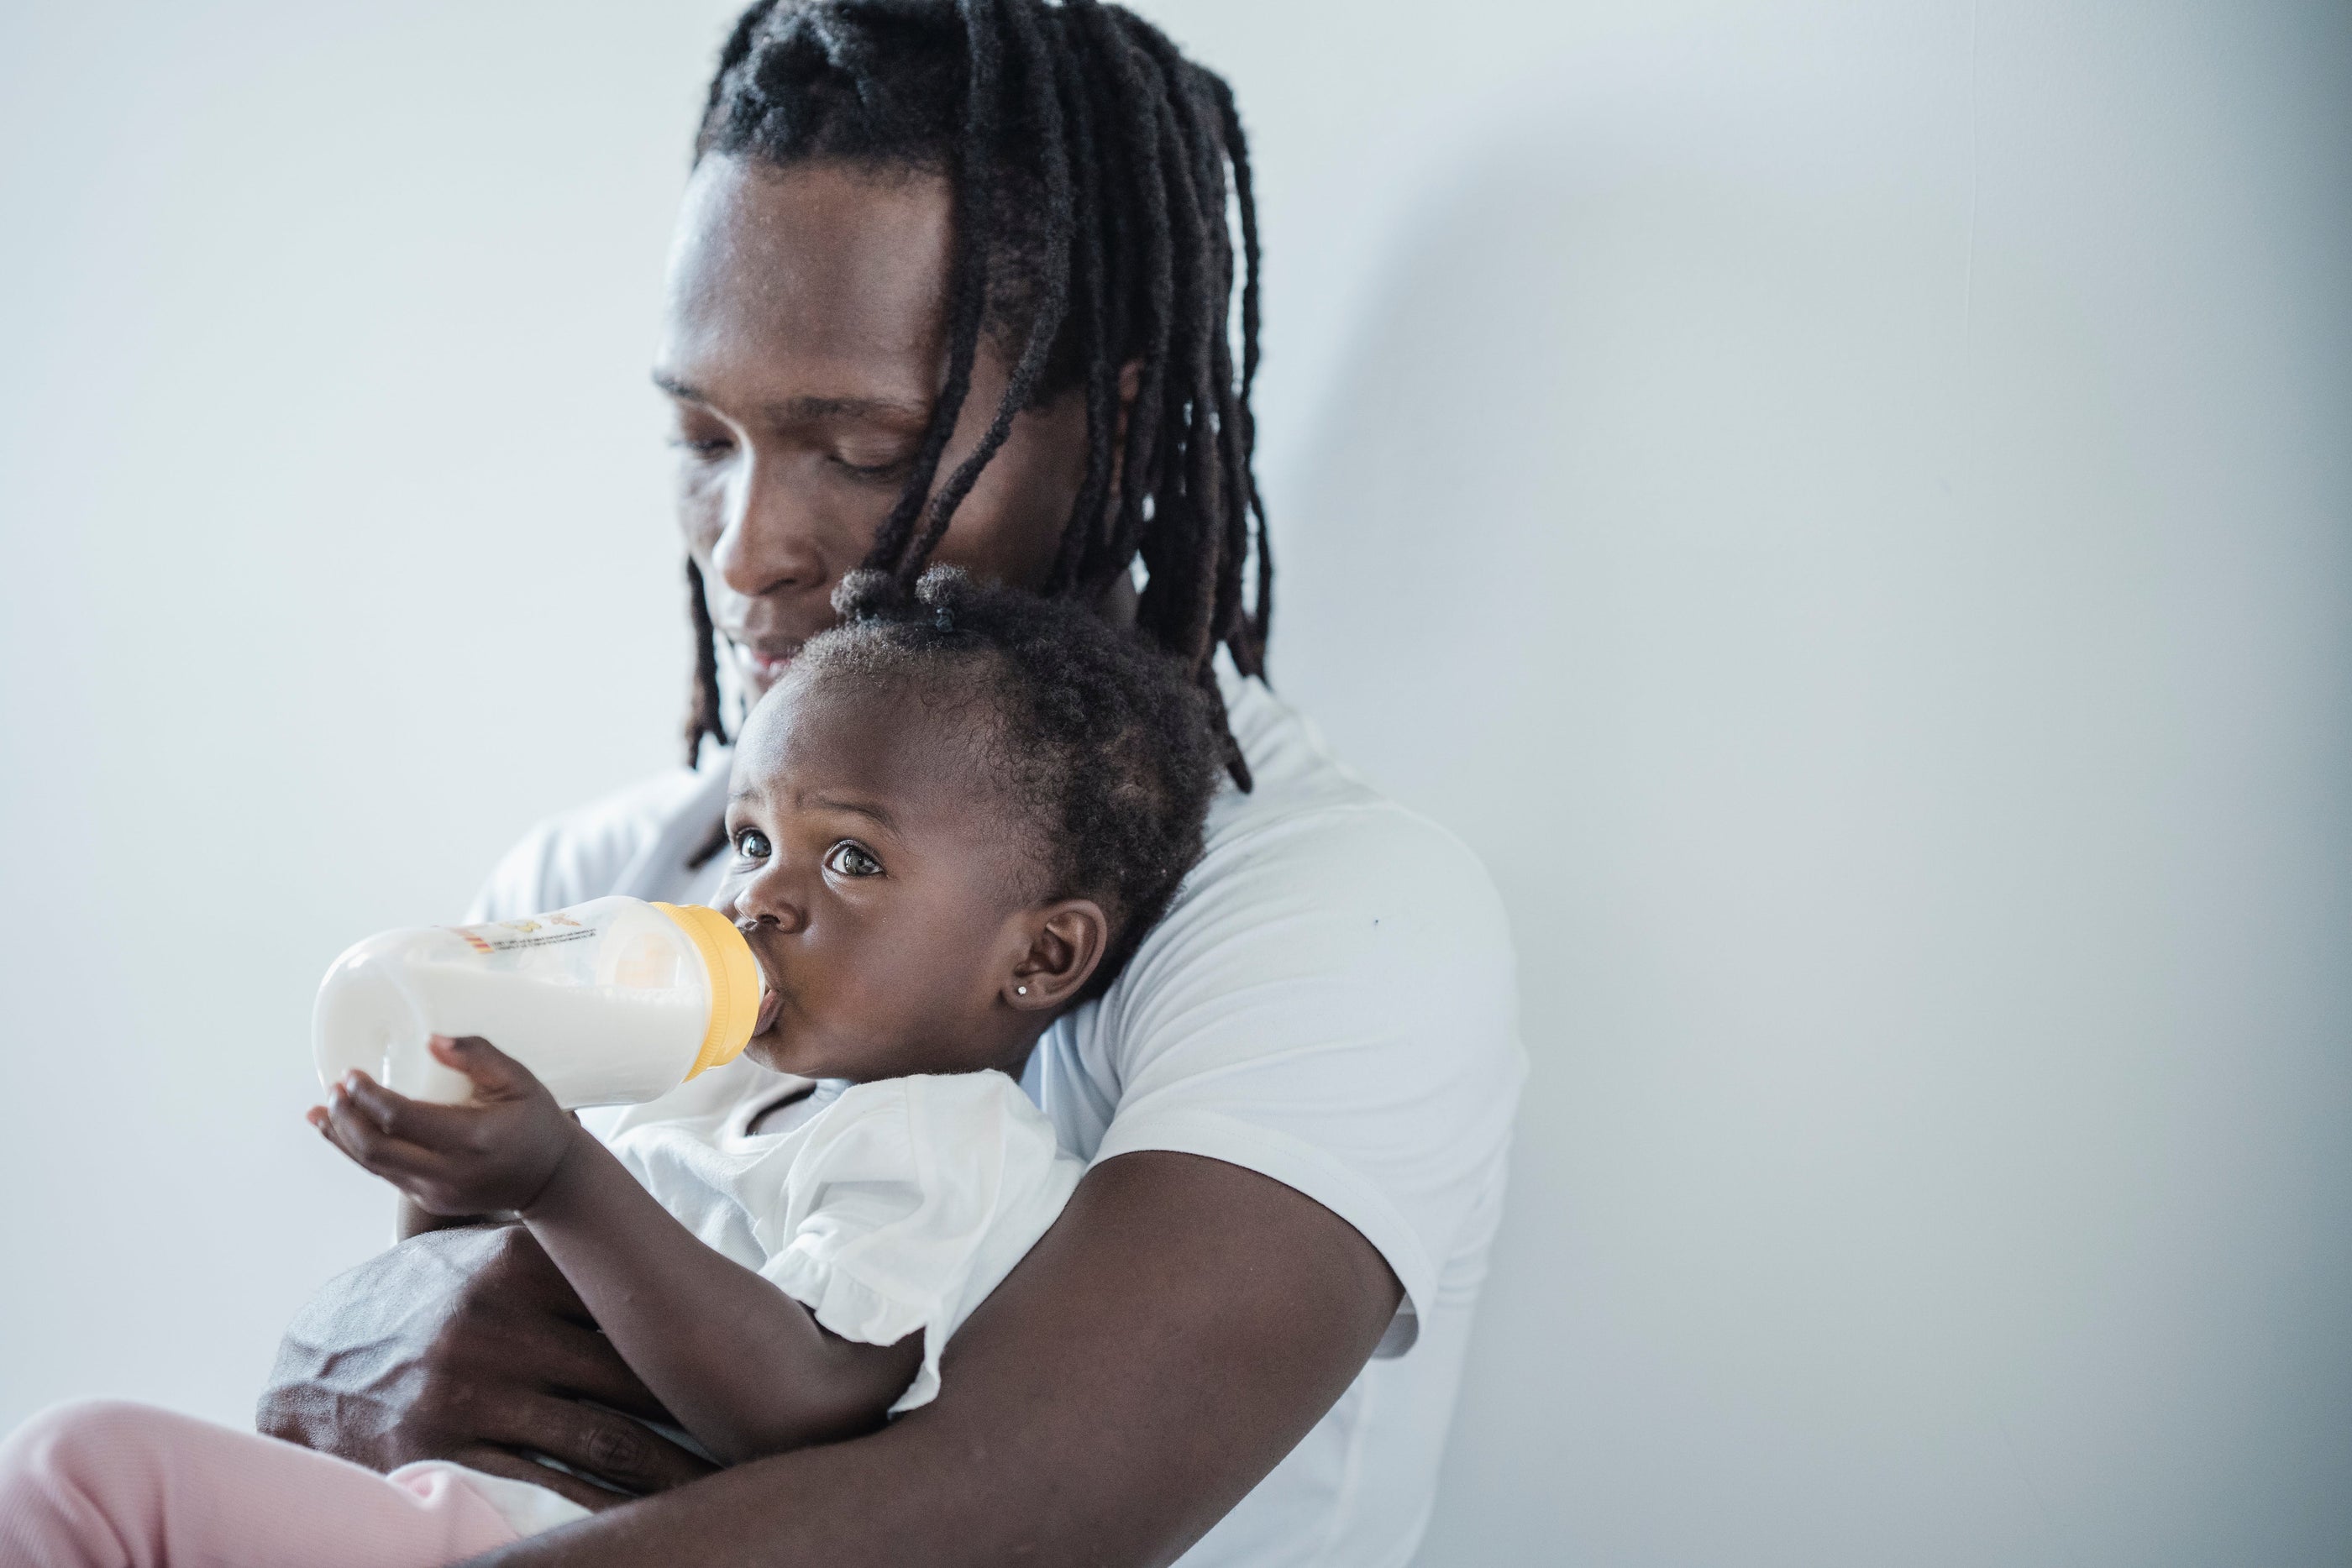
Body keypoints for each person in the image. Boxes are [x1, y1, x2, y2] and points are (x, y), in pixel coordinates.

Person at [257, 3, 1526, 1564]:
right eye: (703, 438)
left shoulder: (1331, 921)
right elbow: (417, 1424)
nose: (747, 550)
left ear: (1114, 425)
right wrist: (346, 1347)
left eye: (858, 453)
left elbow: (991, 1515)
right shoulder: (599, 884)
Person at [0, 569, 1223, 1565]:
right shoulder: (712, 1077)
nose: (759, 895)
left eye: (849, 860)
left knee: (85, 1476)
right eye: (752, 839)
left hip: (533, 1532)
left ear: (1043, 954)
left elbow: (807, 1397)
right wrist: (448, 1139)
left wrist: (560, 1178)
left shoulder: (949, 1142)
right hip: (436, 1492)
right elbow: (445, 1281)